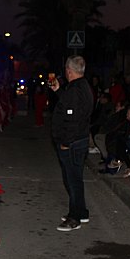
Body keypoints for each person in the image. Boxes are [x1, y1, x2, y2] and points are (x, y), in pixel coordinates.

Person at [50, 56, 94, 231]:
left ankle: (74, 217)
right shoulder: (81, 86)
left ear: (69, 71)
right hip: (78, 140)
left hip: (73, 142)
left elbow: (72, 118)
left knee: (73, 181)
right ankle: (81, 212)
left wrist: (66, 142)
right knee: (75, 179)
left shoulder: (76, 90)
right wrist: (59, 91)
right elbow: (70, 105)